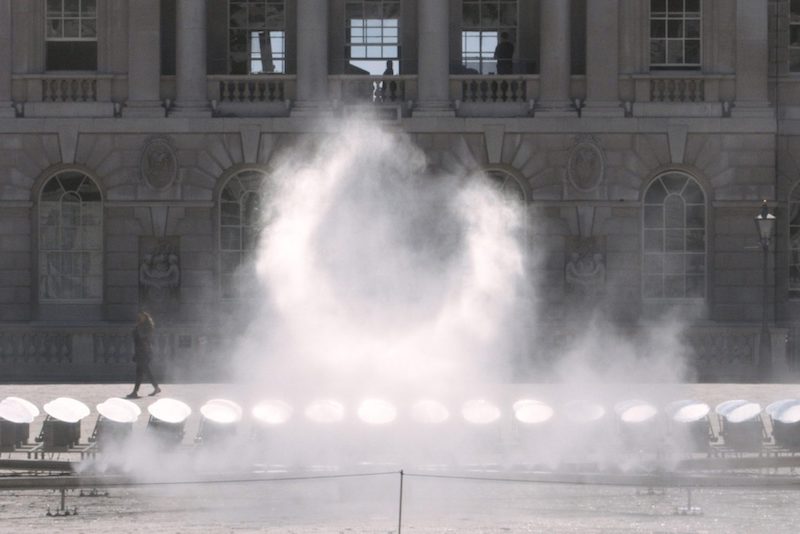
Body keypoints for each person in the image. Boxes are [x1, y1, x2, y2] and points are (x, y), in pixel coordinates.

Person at [126, 311, 161, 398]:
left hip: (144, 352)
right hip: (140, 351)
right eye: (139, 316)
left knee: (143, 371)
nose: (140, 317)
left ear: (145, 317)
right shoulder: (140, 326)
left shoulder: (147, 327)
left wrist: (138, 329)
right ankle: (154, 388)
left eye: (142, 316)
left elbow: (144, 338)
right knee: (141, 372)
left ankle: (136, 392)